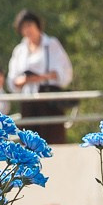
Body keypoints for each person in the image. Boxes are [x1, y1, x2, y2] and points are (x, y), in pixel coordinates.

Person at [9, 10, 75, 144]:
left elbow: (63, 71)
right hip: (28, 101)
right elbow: (12, 79)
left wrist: (38, 78)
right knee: (29, 143)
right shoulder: (20, 50)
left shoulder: (51, 44)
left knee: (52, 140)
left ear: (37, 25)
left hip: (48, 99)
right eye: (23, 27)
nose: (27, 30)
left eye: (29, 25)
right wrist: (25, 80)